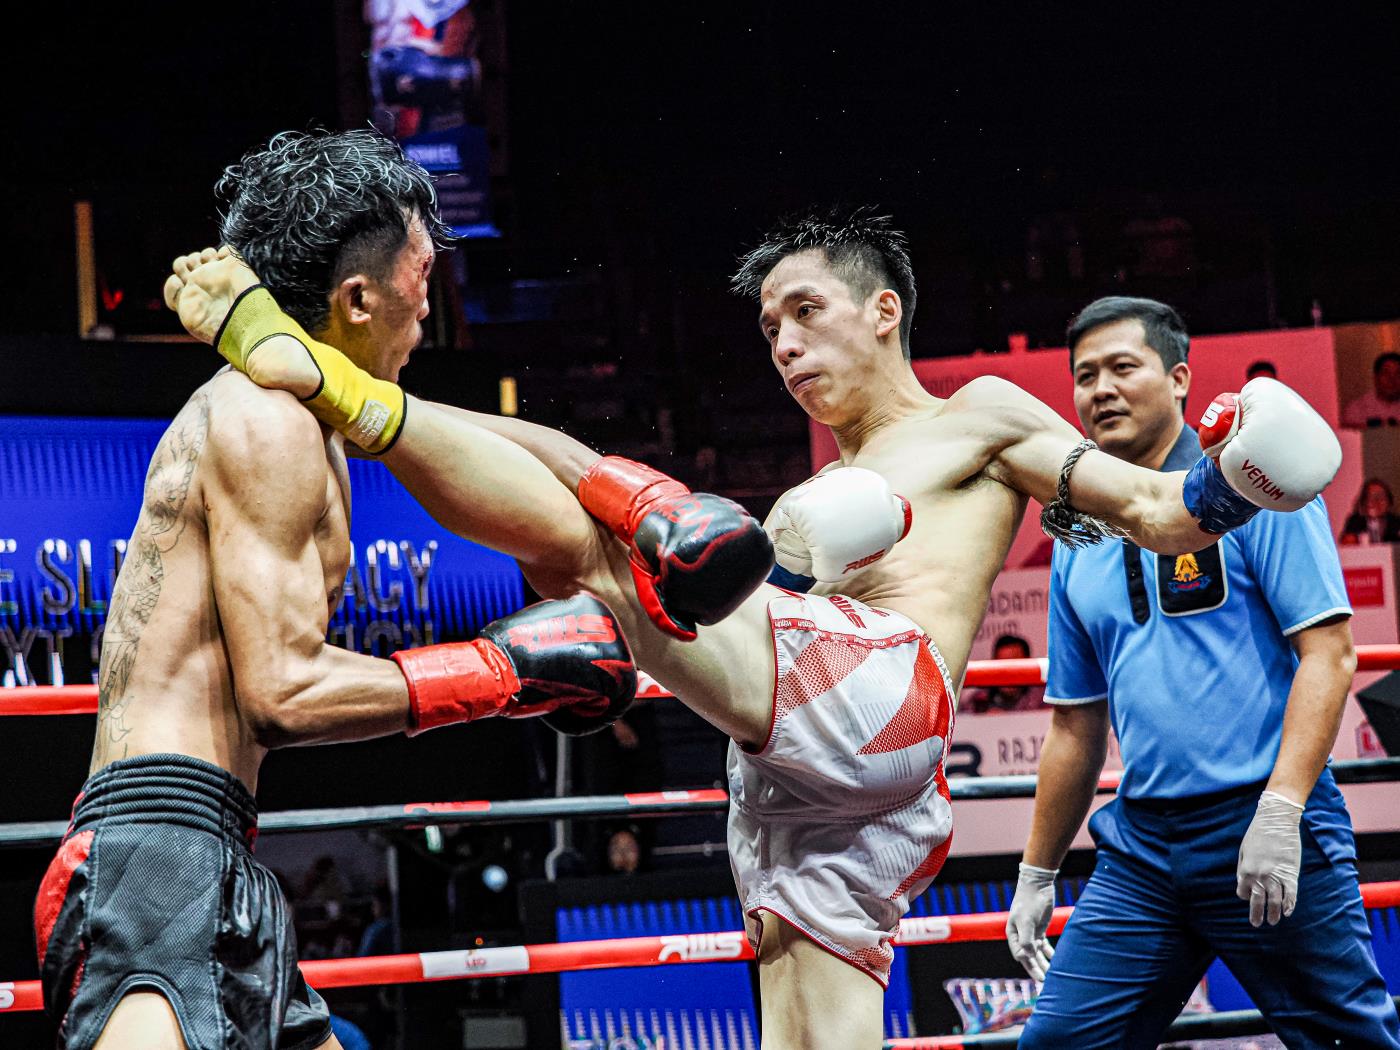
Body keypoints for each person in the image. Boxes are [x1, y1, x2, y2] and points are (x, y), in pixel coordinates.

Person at [171, 203, 1341, 1050]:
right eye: (766, 327)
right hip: (805, 766)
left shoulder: (975, 416)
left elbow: (1158, 510)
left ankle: (326, 381)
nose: (780, 345)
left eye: (803, 312)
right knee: (805, 1026)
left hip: (886, 699)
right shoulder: (812, 489)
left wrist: (1235, 482)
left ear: (883, 313)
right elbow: (581, 474)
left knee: (615, 553)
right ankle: (354, 384)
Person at [31, 131, 656, 1050]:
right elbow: (281, 690)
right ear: (358, 298)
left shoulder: (309, 411)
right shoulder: (268, 422)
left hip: (209, 855)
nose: (425, 317)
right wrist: (499, 672)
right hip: (156, 865)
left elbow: (498, 445)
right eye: (420, 289)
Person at [1006, 296, 1400, 1047]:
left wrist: (1282, 811)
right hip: (1143, 848)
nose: (1102, 390)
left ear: (1180, 377)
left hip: (1267, 819)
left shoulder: (1255, 482)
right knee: (1056, 1044)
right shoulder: (1076, 531)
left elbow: (1331, 652)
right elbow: (1074, 721)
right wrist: (1035, 873)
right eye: (1085, 375)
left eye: (1124, 367)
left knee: (1349, 1043)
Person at [957, 633, 1046, 714]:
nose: (1008, 672)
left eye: (1014, 664)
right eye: (1002, 663)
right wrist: (983, 721)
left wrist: (1006, 720)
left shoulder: (1043, 699)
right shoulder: (979, 701)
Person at [1342, 351, 1400, 428]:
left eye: (1397, 374)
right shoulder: (1357, 409)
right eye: (1386, 373)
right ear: (1376, 378)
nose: (1392, 379)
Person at [1341, 477, 1400, 546]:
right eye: (1371, 497)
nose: (1376, 502)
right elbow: (1347, 544)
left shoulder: (1396, 522)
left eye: (1381, 497)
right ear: (1364, 501)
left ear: (1389, 501)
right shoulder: (1355, 522)